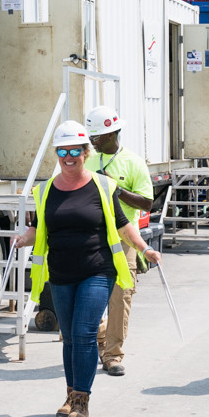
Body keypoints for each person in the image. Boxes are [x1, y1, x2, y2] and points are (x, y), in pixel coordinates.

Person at [13, 120, 160, 417]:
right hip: (61, 273)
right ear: (57, 153)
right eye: (63, 151)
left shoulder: (102, 185)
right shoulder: (44, 192)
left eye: (75, 151)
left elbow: (123, 223)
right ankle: (69, 396)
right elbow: (38, 229)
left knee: (83, 333)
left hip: (98, 270)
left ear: (85, 152)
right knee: (69, 338)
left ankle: (82, 400)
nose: (69, 157)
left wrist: (144, 248)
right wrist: (22, 239)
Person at [84, 106, 154, 377]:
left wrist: (116, 189)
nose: (93, 142)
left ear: (113, 133)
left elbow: (147, 202)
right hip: (91, 238)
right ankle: (102, 339)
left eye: (97, 137)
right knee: (87, 295)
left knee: (120, 295)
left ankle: (113, 355)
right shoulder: (86, 160)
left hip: (123, 239)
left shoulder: (133, 162)